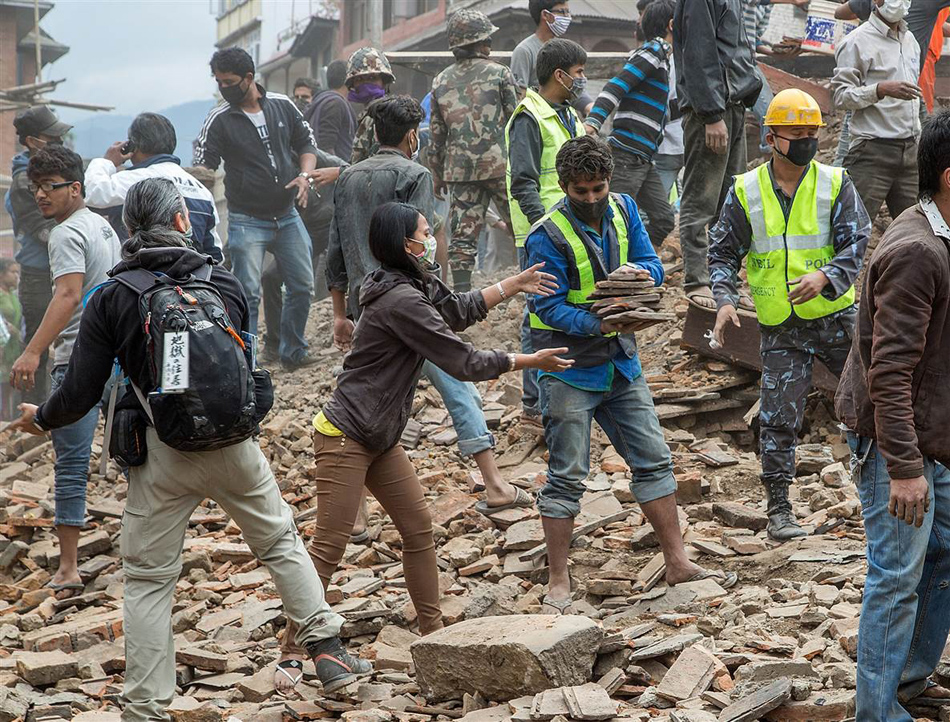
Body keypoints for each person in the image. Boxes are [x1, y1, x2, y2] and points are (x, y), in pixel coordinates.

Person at [8, 176, 372, 720]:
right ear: (182, 221)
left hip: (160, 455)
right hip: (234, 446)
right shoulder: (221, 283)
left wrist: (43, 420)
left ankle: (146, 708)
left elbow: (80, 391)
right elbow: (246, 371)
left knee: (151, 581)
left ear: (127, 229)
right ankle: (328, 649)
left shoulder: (112, 294)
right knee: (278, 541)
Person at [282, 200, 568, 684]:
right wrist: (527, 361)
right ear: (404, 244)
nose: (430, 237)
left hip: (380, 436)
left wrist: (511, 285)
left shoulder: (410, 283)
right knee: (329, 548)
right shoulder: (400, 300)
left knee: (418, 532)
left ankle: (432, 634)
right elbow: (464, 362)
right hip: (345, 435)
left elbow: (455, 311)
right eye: (422, 232)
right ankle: (292, 648)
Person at [525, 135, 737, 613]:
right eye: (582, 192)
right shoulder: (547, 234)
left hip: (621, 361)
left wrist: (644, 278)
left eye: (599, 188)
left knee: (654, 459)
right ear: (564, 187)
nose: (593, 199)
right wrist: (597, 322)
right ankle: (559, 580)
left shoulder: (623, 208)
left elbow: (651, 263)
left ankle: (677, 561)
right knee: (566, 475)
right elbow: (546, 305)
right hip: (567, 368)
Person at [708, 89, 870, 541]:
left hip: (837, 316)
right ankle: (779, 509)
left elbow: (857, 241)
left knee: (873, 395)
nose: (805, 141)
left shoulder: (836, 183)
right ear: (771, 137)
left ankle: (886, 484)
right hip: (781, 324)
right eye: (796, 133)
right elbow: (722, 252)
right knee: (779, 416)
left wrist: (827, 276)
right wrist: (724, 298)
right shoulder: (746, 191)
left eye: (811, 133)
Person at [835, 109, 950, 722]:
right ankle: (877, 712)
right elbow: (890, 372)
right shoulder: (916, 253)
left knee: (941, 556)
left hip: (931, 439)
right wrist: (904, 467)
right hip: (898, 446)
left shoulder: (942, 238)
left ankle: (908, 679)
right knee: (897, 574)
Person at [8, 145, 122, 592]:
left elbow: (68, 296)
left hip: (77, 359)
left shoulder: (65, 233)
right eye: (36, 187)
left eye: (50, 187)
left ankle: (69, 568)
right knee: (132, 455)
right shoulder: (103, 227)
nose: (40, 196)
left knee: (72, 464)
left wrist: (32, 350)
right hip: (117, 359)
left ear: (75, 188)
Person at [194, 47, 319, 370]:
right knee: (247, 292)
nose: (223, 87)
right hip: (246, 219)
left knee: (302, 285)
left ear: (249, 78)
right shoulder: (219, 119)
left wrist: (305, 175)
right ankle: (244, 360)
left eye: (229, 81)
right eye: (218, 82)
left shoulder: (282, 105)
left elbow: (306, 143)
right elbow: (203, 168)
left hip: (288, 214)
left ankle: (293, 351)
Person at [506, 38, 587, 430]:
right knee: (537, 315)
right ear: (560, 75)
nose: (582, 79)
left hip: (571, 229)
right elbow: (524, 184)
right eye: (579, 73)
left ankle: (563, 394)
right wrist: (547, 228)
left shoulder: (569, 114)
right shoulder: (529, 117)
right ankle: (532, 404)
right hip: (541, 234)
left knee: (565, 306)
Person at [673, 0, 762, 309]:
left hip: (733, 103)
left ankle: (727, 281)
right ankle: (697, 279)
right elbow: (699, 52)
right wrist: (711, 114)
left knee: (731, 201)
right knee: (702, 199)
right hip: (710, 109)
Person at [428, 9, 518, 291]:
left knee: (463, 235)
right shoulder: (500, 73)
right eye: (487, 39)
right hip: (500, 165)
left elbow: (436, 133)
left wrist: (436, 172)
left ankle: (463, 294)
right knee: (522, 227)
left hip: (459, 170)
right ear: (480, 43)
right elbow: (516, 120)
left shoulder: (440, 80)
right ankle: (539, 279)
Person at [583, 0, 676, 250]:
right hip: (626, 155)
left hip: (643, 158)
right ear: (672, 25)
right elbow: (617, 85)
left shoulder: (662, 59)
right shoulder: (653, 51)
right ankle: (607, 267)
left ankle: (635, 262)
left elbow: (660, 110)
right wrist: (593, 122)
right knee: (613, 218)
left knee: (663, 219)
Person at [832, 0, 921, 237]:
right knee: (852, 234)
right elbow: (840, 97)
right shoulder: (857, 42)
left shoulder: (910, 41)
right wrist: (879, 89)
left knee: (920, 232)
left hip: (910, 152)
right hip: (871, 152)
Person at [84, 112, 223, 260]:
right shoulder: (201, 190)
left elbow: (91, 194)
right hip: (191, 277)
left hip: (138, 277)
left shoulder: (133, 181)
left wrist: (107, 162)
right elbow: (214, 252)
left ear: (133, 146)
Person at [8, 106, 71, 404]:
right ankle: (31, 409)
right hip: (38, 273)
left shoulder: (50, 173)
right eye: (52, 136)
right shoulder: (25, 180)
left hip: (59, 269)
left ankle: (55, 406)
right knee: (36, 342)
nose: (60, 140)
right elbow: (41, 229)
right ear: (33, 141)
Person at [511, 0, 593, 116]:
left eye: (568, 12)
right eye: (562, 12)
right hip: (539, 119)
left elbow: (572, 86)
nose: (567, 17)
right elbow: (520, 95)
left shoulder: (563, 49)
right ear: (545, 15)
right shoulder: (525, 51)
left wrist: (589, 105)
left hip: (562, 116)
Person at [347, 47, 397, 164]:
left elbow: (379, 163)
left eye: (372, 78)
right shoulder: (365, 115)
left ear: (384, 82)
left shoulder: (385, 114)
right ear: (353, 84)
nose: (366, 84)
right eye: (359, 79)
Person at [304, 59, 358, 160]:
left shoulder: (322, 99)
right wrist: (338, 171)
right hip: (335, 172)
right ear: (349, 78)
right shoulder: (335, 103)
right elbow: (326, 146)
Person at [0, 259, 23, 421]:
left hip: (13, 349)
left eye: (18, 272)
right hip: (2, 347)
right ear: (1, 274)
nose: (17, 276)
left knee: (8, 387)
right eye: (12, 272)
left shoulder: (13, 295)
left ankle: (7, 421)